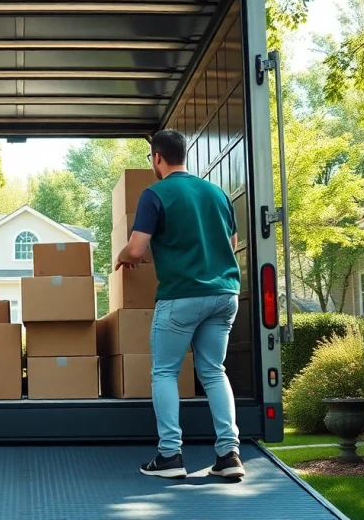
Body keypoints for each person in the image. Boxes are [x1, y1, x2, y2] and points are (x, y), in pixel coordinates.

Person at [115, 130, 245, 480]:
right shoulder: (217, 193)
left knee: (165, 372)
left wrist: (122, 255)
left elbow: (138, 248)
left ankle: (170, 456)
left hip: (182, 297)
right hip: (225, 295)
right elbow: (231, 244)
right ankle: (229, 455)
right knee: (214, 372)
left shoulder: (155, 194)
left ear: (157, 158)